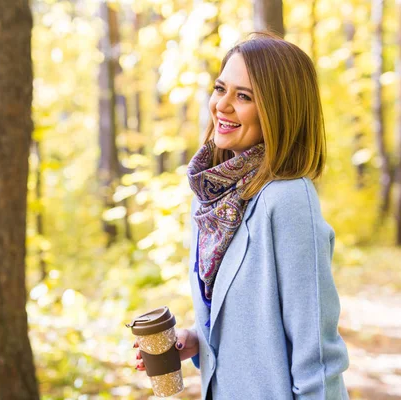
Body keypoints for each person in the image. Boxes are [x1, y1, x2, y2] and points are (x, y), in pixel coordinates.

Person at [134, 32, 350, 399]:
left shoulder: (287, 199)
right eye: (221, 89)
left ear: (279, 110)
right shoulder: (212, 197)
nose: (223, 105)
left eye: (244, 96)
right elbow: (250, 321)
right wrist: (196, 340)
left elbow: (317, 352)